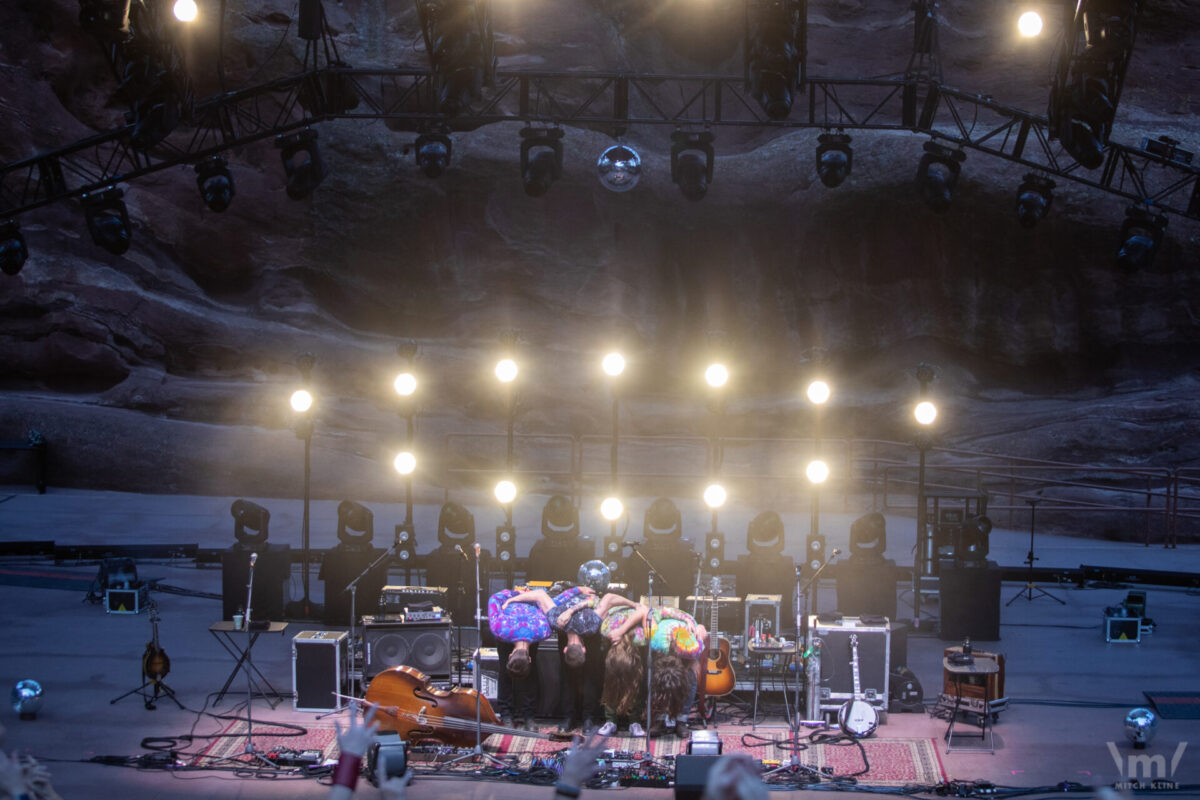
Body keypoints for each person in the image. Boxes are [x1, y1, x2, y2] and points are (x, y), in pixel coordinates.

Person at [487, 587, 552, 730]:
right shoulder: (543, 630)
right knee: (506, 672)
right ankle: (507, 715)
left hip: (521, 626)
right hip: (510, 630)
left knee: (529, 673)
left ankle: (529, 716)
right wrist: (524, 594)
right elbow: (544, 599)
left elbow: (494, 598)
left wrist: (520, 595)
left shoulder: (498, 629)